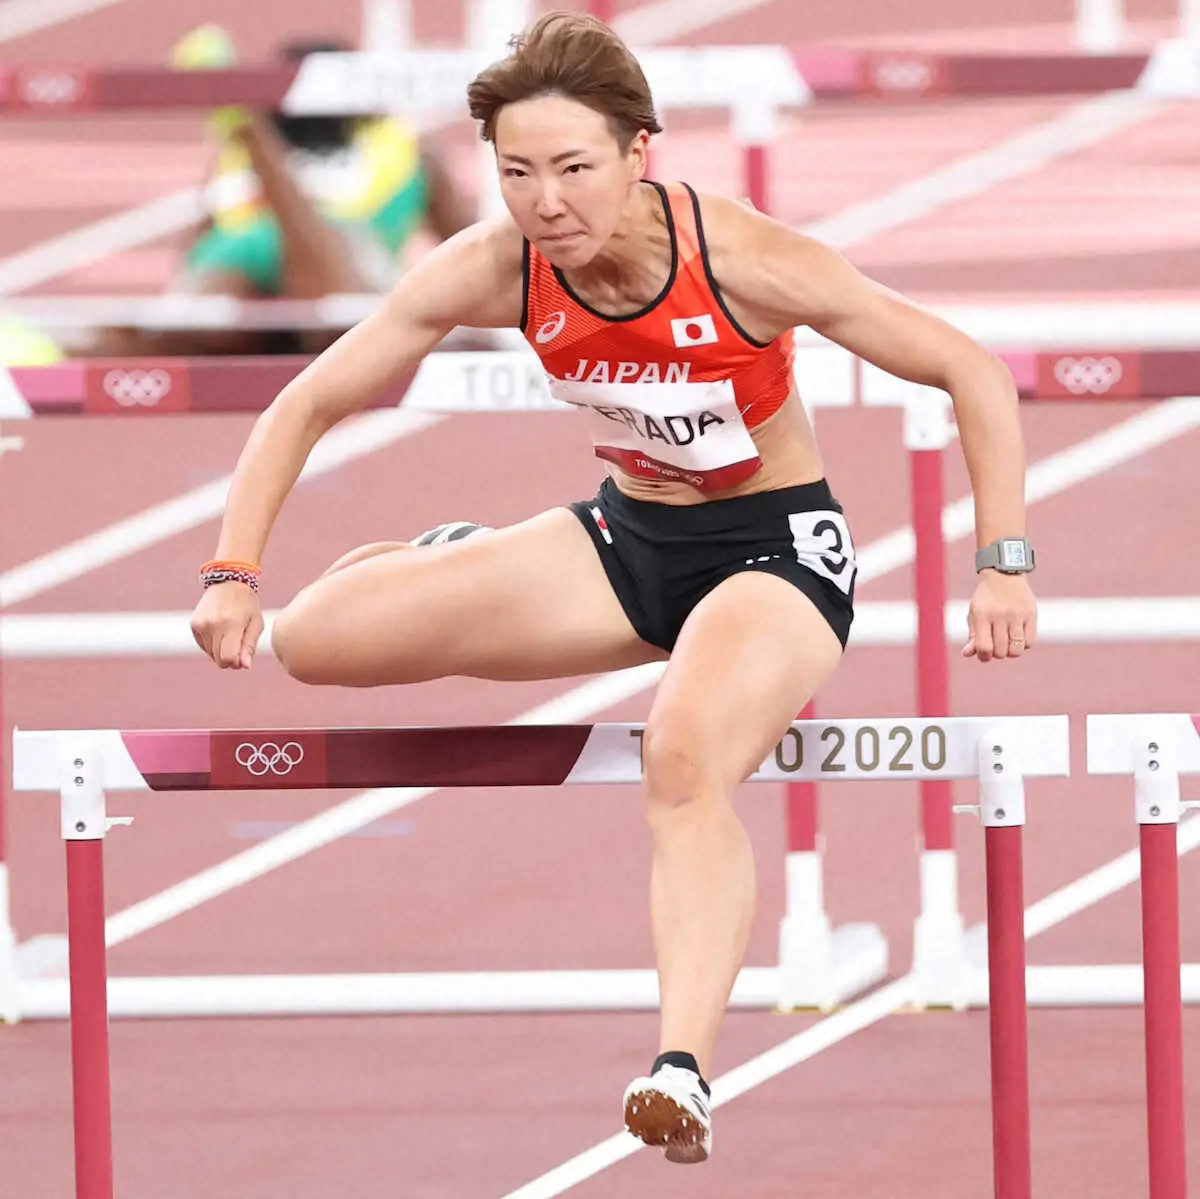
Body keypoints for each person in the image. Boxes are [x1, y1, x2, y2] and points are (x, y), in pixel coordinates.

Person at [190, 12, 1038, 1165]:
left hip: (772, 554)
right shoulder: (500, 263)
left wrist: (1002, 563)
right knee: (314, 641)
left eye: (574, 169)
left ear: (641, 152)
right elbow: (310, 399)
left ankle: (679, 1066)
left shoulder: (741, 258)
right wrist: (234, 571)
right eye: (518, 173)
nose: (547, 203)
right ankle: (447, 554)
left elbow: (968, 369)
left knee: (681, 756)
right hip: (623, 541)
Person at [90, 36, 474, 358]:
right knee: (338, 323)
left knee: (194, 324)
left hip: (258, 254)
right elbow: (469, 249)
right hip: (327, 271)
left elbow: (196, 246)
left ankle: (107, 344)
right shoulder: (409, 149)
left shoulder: (232, 161)